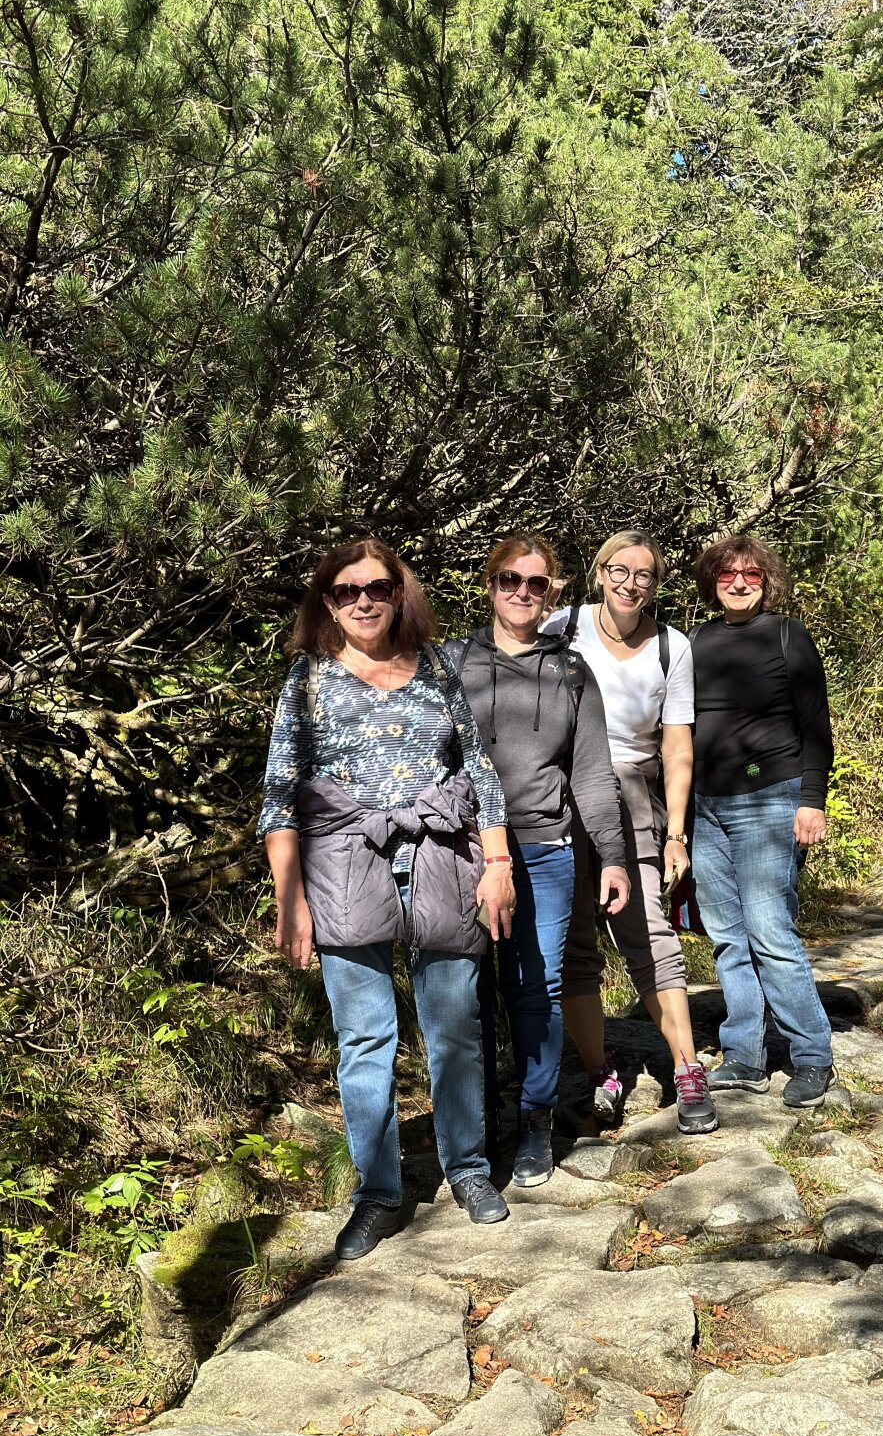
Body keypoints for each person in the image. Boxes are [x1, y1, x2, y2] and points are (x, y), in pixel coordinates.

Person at [259, 538, 517, 1261]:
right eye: (347, 591)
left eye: (377, 587)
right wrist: (289, 900)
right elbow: (279, 796)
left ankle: (467, 1169)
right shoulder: (308, 679)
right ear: (328, 602)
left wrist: (498, 862)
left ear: (399, 593)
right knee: (364, 1038)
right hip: (343, 864)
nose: (364, 601)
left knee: (456, 1027)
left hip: (443, 858)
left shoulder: (436, 667)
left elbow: (480, 770)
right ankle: (377, 1191)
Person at [445, 534, 631, 1186]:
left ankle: (535, 1121)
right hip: (463, 851)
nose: (522, 592)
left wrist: (612, 857)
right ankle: (476, 1126)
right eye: (509, 579)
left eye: (536, 583)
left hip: (547, 850)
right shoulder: (451, 663)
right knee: (465, 992)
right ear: (489, 584)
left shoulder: (572, 673)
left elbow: (592, 774)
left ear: (553, 592)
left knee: (537, 989)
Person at [543, 530, 718, 1135]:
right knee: (573, 942)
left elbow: (677, 747)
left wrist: (677, 835)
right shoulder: (563, 627)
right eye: (619, 570)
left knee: (648, 931)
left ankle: (688, 1069)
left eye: (644, 574)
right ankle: (601, 1073)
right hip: (558, 796)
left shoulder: (672, 647)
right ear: (599, 573)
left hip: (633, 797)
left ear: (656, 584)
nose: (630, 583)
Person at [688, 534, 836, 1108]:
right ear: (713, 581)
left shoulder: (786, 635)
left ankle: (812, 1055)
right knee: (727, 936)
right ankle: (744, 1057)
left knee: (770, 930)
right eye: (727, 574)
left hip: (771, 799)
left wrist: (812, 799)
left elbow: (815, 725)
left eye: (751, 574)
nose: (739, 583)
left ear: (766, 581)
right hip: (705, 807)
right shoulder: (695, 641)